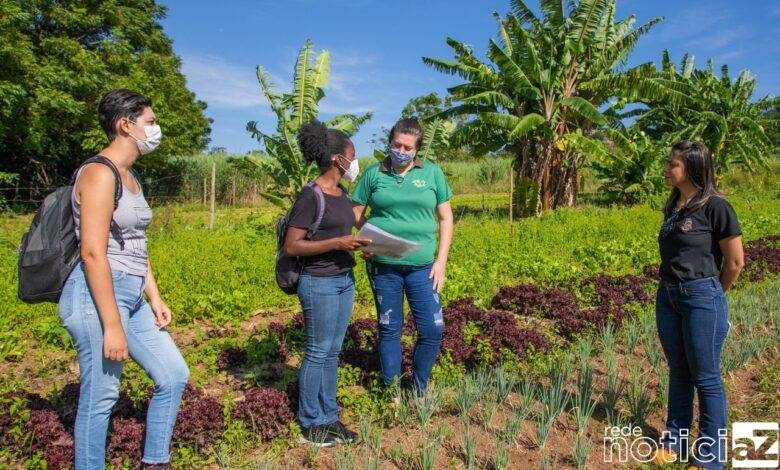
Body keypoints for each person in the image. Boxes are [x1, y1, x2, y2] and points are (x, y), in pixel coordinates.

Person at [59, 89, 189, 469]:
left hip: (131, 294)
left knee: (173, 375)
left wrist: (155, 296)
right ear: (125, 125)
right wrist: (112, 325)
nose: (155, 129)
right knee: (101, 394)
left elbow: (136, 244)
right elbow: (93, 252)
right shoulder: (100, 173)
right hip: (97, 295)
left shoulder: (130, 177)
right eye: (150, 122)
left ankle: (154, 461)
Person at [653, 140, 744, 469]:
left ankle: (710, 457)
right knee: (679, 371)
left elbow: (735, 262)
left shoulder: (716, 206)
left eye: (672, 164)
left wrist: (713, 295)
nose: (667, 168)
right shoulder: (673, 204)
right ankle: (675, 441)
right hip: (668, 296)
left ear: (692, 168)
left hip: (702, 296)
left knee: (705, 377)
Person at [351, 118, 454, 397]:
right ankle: (392, 393)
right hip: (384, 266)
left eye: (407, 147)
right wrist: (368, 239)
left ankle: (419, 390)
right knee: (389, 328)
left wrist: (441, 261)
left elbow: (446, 218)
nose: (401, 150)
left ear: (417, 150)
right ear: (390, 142)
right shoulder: (373, 174)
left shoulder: (432, 174)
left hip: (423, 267)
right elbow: (355, 213)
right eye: (396, 144)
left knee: (432, 329)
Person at [284, 120, 370, 446]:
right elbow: (293, 245)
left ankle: (330, 417)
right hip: (318, 282)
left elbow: (354, 226)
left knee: (333, 351)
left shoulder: (342, 194)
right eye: (352, 155)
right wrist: (338, 244)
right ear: (337, 159)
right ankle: (310, 421)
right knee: (318, 350)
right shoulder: (311, 195)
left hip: (344, 280)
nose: (355, 162)